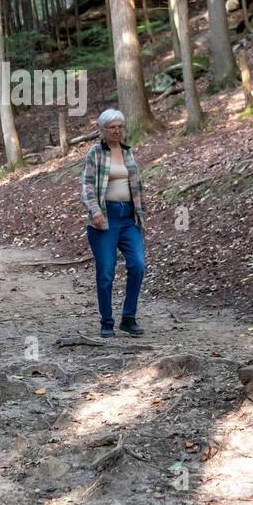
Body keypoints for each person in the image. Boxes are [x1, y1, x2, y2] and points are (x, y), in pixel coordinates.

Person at [80, 108, 146, 337]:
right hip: (104, 219)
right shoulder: (95, 153)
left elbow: (136, 185)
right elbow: (87, 185)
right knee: (106, 272)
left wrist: (139, 212)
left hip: (129, 218)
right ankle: (106, 321)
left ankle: (128, 318)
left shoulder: (128, 153)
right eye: (112, 127)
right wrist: (95, 211)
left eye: (120, 126)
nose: (117, 131)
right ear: (102, 130)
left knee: (138, 264)